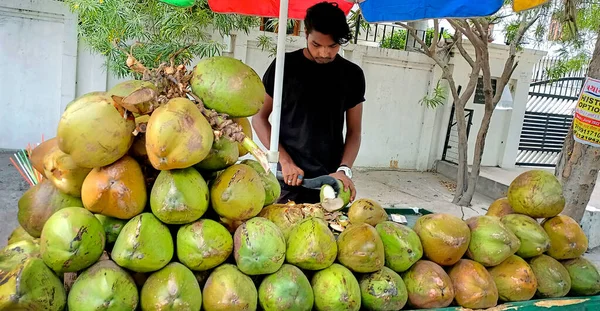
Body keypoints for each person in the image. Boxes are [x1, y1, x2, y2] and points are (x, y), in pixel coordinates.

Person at [252, 1, 365, 204]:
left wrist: (344, 169)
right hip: (287, 179)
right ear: (306, 34)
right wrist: (284, 161)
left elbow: (354, 132)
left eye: (332, 46)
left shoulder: (352, 75)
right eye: (316, 44)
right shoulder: (283, 66)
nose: (324, 52)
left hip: (330, 180)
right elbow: (259, 118)